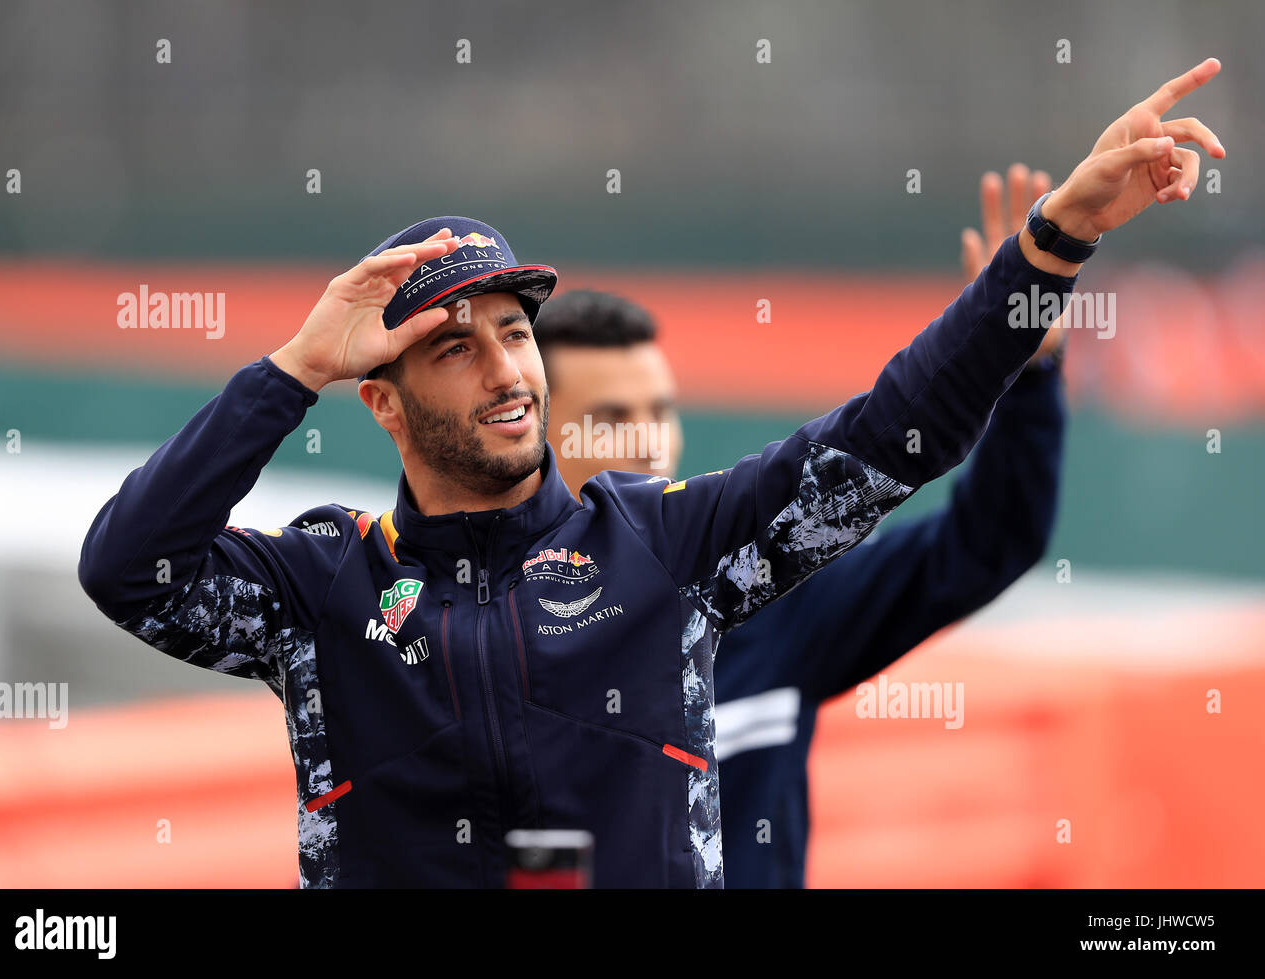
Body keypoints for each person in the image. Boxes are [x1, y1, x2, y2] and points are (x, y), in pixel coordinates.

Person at [77, 61, 1225, 887]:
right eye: (452, 346)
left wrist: (1056, 240)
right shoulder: (322, 588)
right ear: (376, 393)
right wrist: (288, 370)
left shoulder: (668, 549)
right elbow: (127, 568)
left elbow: (892, 434)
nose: (503, 366)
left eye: (515, 331)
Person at [537, 163, 1068, 888]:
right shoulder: (479, 625)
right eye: (612, 418)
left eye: (660, 410)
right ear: (532, 433)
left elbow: (990, 541)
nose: (648, 440)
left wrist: (1029, 374)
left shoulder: (773, 587)